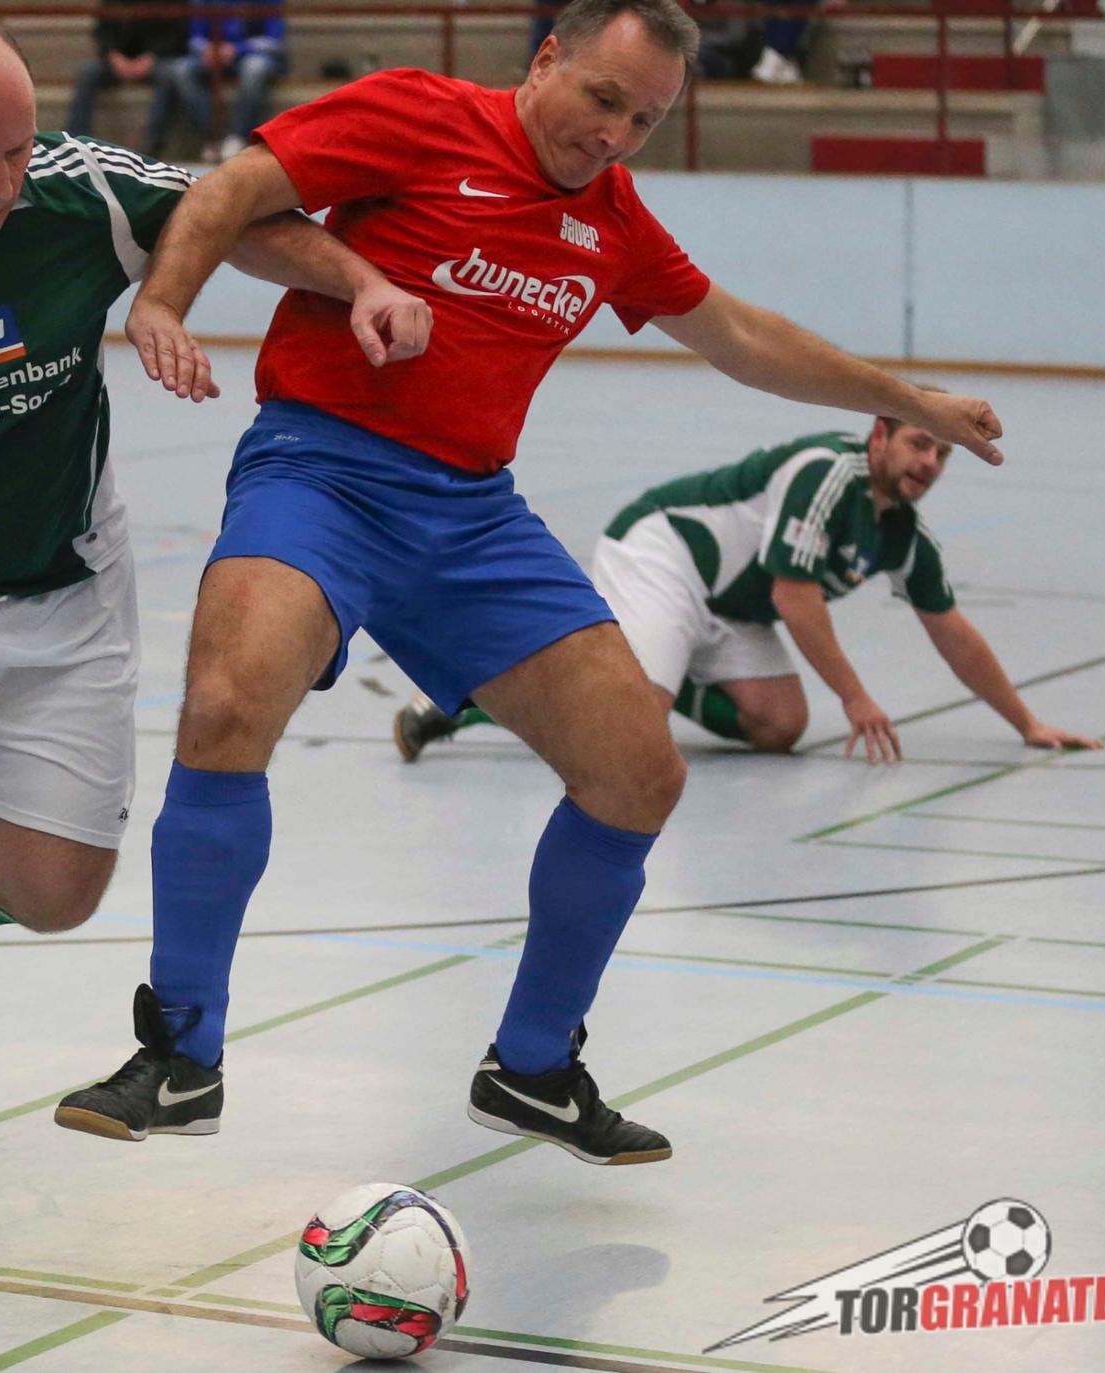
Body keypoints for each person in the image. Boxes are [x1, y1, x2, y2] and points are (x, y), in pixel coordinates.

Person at [53, 0, 1006, 1167]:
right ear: (546, 58)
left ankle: (534, 1065)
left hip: (472, 516)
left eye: (643, 121)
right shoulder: (419, 113)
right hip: (321, 472)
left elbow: (742, 337)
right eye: (603, 99)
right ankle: (180, 1051)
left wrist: (910, 401)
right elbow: (234, 189)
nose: (614, 135)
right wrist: (162, 301)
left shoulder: (612, 219)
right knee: (224, 702)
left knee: (638, 770)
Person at [0, 12, 426, 1252]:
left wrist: (360, 280)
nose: (4, 184)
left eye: (18, 148)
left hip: (66, 589)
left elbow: (225, 211)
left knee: (54, 894)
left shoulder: (77, 190)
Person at [393, 417, 1103, 763]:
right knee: (633, 728)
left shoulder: (902, 535)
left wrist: (1026, 723)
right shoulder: (826, 471)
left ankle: (638, 674)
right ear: (878, 436)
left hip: (731, 610)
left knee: (779, 727)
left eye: (943, 453)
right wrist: (856, 697)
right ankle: (464, 701)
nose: (930, 462)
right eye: (920, 442)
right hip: (665, 555)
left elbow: (951, 630)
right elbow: (795, 597)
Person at [167, 0, 287, 161]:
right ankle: (212, 137)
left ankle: (237, 137)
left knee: (254, 68)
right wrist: (208, 50)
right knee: (181, 70)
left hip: (252, 55)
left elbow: (274, 41)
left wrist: (237, 49)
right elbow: (194, 38)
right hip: (213, 56)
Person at [65, 0, 189, 157]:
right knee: (88, 72)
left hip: (159, 59)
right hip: (119, 59)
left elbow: (178, 33)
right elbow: (102, 30)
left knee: (169, 75)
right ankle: (74, 141)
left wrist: (153, 57)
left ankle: (152, 142)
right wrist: (113, 55)